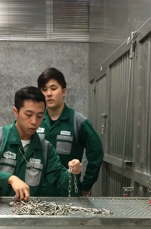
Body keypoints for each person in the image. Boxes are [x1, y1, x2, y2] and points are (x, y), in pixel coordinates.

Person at [0, 86, 81, 201]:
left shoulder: (46, 149)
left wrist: (72, 172)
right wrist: (11, 179)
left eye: (39, 116)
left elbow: (59, 182)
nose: (34, 121)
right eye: (29, 115)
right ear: (16, 112)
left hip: (30, 210)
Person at [37, 68, 104, 197]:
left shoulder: (78, 122)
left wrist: (86, 185)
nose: (48, 94)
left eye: (53, 88)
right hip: (38, 193)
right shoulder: (35, 121)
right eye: (44, 89)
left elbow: (96, 154)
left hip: (68, 193)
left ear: (63, 91)